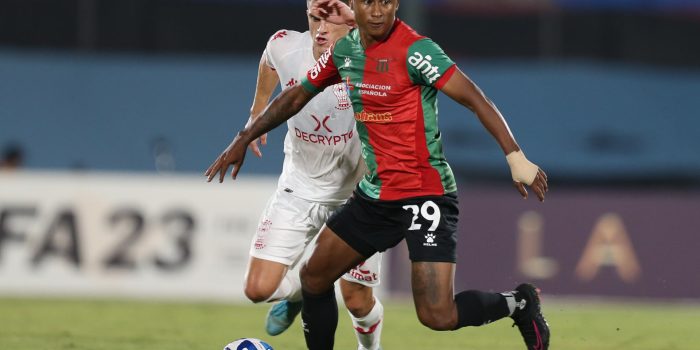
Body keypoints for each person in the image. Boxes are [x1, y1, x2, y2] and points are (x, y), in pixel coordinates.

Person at [206, 0, 550, 349]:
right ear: (356, 6)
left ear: (395, 4)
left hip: (424, 193)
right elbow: (295, 97)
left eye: (385, 2)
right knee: (313, 278)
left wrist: (515, 157)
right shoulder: (345, 51)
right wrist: (244, 135)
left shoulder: (417, 51)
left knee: (437, 316)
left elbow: (474, 98)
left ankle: (520, 302)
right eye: (368, 2)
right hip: (375, 195)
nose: (377, 11)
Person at [235, 1, 384, 349]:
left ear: (351, 23)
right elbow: (269, 60)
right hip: (298, 189)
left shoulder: (371, 58)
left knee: (357, 301)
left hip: (355, 197)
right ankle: (301, 291)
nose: (321, 29)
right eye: (315, 19)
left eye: (331, 21)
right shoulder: (286, 46)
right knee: (258, 289)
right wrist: (257, 110)